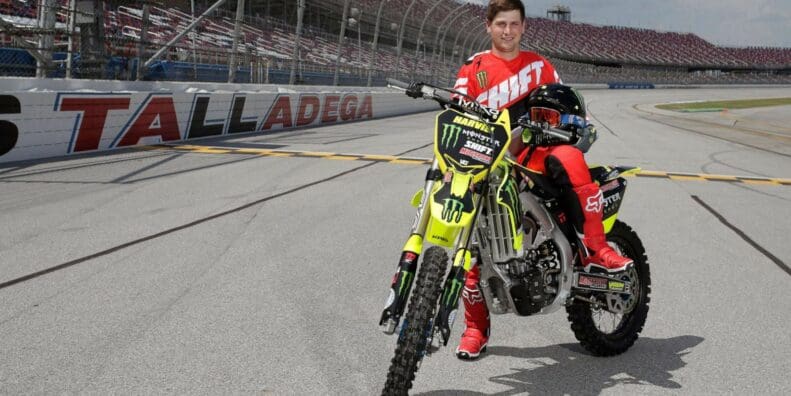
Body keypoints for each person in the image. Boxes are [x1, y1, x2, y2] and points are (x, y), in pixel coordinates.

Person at [451, 0, 633, 360]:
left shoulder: (539, 66)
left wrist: (575, 132)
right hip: (483, 164)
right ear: (488, 26)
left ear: (523, 27)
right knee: (470, 251)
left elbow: (570, 107)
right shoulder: (472, 69)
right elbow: (455, 114)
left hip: (529, 158)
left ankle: (596, 248)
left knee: (568, 157)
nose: (507, 31)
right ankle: (474, 329)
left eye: (514, 24)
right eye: (501, 23)